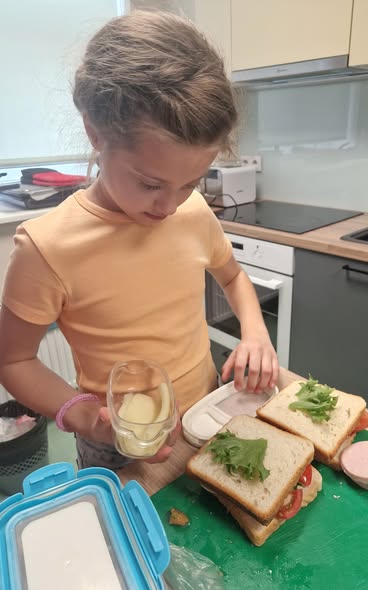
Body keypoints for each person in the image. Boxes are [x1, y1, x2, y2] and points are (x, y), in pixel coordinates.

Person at [0, 10, 279, 470]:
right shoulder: (46, 248)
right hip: (115, 443)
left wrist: (255, 333)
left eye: (190, 182)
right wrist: (85, 417)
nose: (169, 206)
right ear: (95, 132)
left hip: (208, 412)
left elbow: (233, 277)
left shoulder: (193, 211)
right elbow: (14, 361)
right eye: (150, 184)